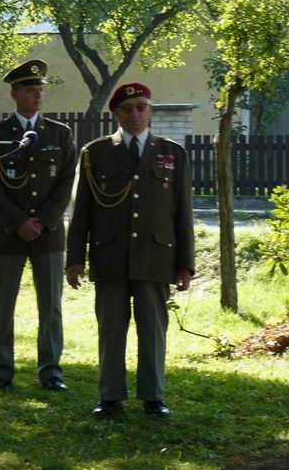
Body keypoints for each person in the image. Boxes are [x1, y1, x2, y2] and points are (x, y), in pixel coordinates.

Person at [65, 82, 194, 417]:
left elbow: (183, 212)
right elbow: (81, 210)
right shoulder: (95, 153)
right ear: (115, 114)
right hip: (110, 253)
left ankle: (154, 396)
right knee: (111, 328)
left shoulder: (172, 153)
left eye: (141, 107)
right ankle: (110, 396)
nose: (135, 114)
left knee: (153, 329)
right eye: (127, 109)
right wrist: (75, 258)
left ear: (149, 110)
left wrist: (185, 264)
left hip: (155, 255)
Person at [0, 59, 77, 392]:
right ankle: (1, 372)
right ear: (15, 94)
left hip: (48, 233)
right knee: (2, 305)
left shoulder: (60, 134)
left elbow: (66, 182)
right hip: (8, 233)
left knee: (50, 306)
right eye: (31, 90)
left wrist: (43, 221)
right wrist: (19, 222)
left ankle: (51, 371)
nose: (38, 96)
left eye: (40, 90)